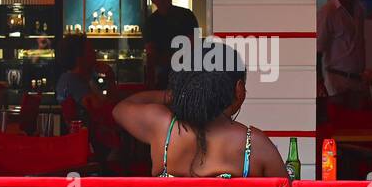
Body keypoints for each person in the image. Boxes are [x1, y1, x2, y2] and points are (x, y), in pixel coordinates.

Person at [114, 39, 288, 178]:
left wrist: (175, 95)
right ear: (239, 90)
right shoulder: (256, 143)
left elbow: (120, 109)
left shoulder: (161, 126)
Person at [316, 0, 371, 107]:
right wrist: (319, 82)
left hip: (359, 82)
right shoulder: (328, 12)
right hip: (337, 83)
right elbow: (317, 51)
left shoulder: (359, 9)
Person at [142, 0, 199, 89]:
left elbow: (194, 43)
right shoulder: (151, 22)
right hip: (164, 73)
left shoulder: (186, 15)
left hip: (185, 70)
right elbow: (150, 53)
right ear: (153, 0)